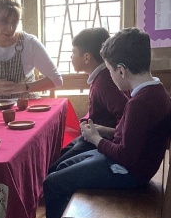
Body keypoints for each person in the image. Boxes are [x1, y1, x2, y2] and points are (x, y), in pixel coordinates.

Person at [38, 27, 171, 218]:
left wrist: (96, 139)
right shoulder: (156, 91)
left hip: (128, 172)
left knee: (52, 183)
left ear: (121, 70)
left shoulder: (139, 103)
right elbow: (129, 135)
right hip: (130, 164)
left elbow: (126, 155)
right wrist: (102, 131)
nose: (109, 76)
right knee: (62, 168)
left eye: (109, 70)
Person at [48, 28, 129, 174]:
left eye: (73, 52)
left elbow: (126, 114)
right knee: (57, 156)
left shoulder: (105, 81)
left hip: (102, 142)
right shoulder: (101, 77)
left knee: (55, 169)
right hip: (94, 135)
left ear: (86, 57)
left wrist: (107, 134)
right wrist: (87, 119)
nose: (71, 57)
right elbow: (100, 109)